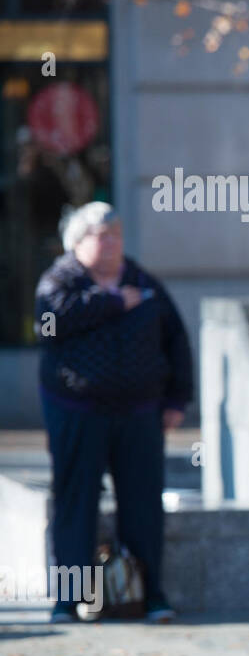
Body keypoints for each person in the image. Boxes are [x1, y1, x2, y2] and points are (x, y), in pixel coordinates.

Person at [35, 202, 192, 624]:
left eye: (116, 234)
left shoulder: (144, 283)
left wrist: (177, 400)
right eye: (100, 236)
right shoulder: (60, 282)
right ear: (76, 244)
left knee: (142, 505)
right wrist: (110, 301)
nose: (111, 243)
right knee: (75, 504)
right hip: (77, 411)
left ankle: (149, 594)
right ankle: (68, 601)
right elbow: (47, 324)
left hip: (140, 412)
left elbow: (176, 341)